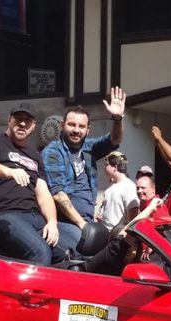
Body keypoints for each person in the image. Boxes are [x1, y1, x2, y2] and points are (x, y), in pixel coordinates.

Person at [0, 102, 61, 265]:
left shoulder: (35, 156)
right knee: (39, 251)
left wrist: (52, 222)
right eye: (18, 118)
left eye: (27, 120)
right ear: (9, 120)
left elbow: (43, 195)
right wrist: (8, 171)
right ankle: (29, 290)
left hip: (34, 218)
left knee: (73, 248)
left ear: (34, 126)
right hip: (0, 216)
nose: (22, 123)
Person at [43, 91, 126, 250]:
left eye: (81, 126)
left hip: (87, 222)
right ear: (62, 125)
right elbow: (58, 194)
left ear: (88, 129)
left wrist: (117, 119)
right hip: (65, 222)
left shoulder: (88, 148)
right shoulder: (53, 152)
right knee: (86, 254)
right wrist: (83, 225)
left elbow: (114, 140)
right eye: (72, 124)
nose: (76, 130)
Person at [96, 151, 139, 231]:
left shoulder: (129, 187)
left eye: (106, 164)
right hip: (105, 236)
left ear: (115, 167)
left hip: (118, 238)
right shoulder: (109, 188)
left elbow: (133, 219)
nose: (104, 167)